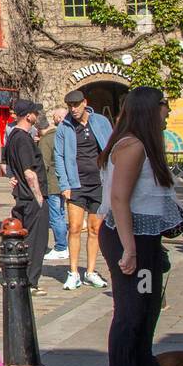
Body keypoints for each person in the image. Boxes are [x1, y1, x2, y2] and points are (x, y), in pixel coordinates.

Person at [96, 87, 183, 366]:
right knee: (130, 316)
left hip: (144, 239)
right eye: (164, 104)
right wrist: (130, 249)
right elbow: (120, 200)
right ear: (150, 108)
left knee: (146, 314)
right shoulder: (133, 146)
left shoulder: (143, 145)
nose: (167, 110)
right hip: (129, 239)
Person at [55, 90, 111, 290]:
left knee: (96, 230)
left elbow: (111, 148)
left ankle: (90, 271)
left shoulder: (101, 122)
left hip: (99, 183)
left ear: (85, 103)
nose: (73, 109)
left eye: (76, 105)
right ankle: (73, 272)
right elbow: (59, 157)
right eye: (70, 105)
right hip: (76, 184)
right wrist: (65, 185)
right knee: (75, 228)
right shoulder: (64, 127)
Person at [2, 98, 50, 298]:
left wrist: (13, 178)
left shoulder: (13, 136)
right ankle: (30, 281)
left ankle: (26, 278)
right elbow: (30, 172)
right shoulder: (22, 138)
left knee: (27, 239)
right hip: (31, 198)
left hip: (22, 196)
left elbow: (6, 165)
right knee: (35, 241)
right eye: (35, 113)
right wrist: (39, 198)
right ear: (28, 115)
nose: (37, 116)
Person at [39, 108, 70, 262]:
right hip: (64, 183)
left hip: (52, 183)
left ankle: (61, 247)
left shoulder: (47, 139)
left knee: (56, 216)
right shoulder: (66, 135)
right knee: (61, 214)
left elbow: (43, 165)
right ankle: (64, 245)